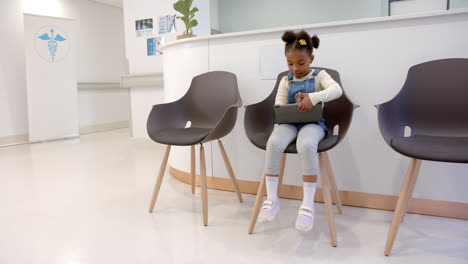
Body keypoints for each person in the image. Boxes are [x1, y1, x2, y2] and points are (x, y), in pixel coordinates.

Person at [257, 30, 343, 232]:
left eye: (301, 63)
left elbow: (336, 90)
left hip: (313, 124)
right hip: (289, 124)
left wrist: (313, 98)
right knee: (274, 143)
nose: (295, 68)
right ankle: (272, 199)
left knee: (306, 144)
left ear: (311, 58)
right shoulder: (286, 80)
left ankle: (307, 204)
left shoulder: (319, 76)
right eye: (290, 64)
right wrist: (287, 110)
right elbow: (278, 104)